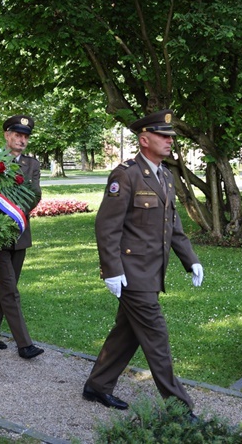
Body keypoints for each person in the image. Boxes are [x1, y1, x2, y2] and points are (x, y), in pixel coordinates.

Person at [83, 109, 204, 419]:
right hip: (132, 274)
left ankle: (97, 385)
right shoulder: (126, 174)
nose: (169, 141)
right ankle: (180, 406)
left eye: (171, 137)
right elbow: (106, 227)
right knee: (156, 339)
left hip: (152, 274)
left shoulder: (165, 175)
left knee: (127, 333)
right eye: (163, 136)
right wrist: (111, 270)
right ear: (144, 139)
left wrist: (190, 260)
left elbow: (172, 226)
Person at [0, 115, 45, 359]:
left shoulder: (32, 164)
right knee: (9, 290)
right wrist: (0, 216)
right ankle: (24, 344)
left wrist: (14, 213)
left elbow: (35, 195)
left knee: (6, 285)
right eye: (17, 135)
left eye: (25, 136)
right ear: (6, 135)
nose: (22, 140)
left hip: (20, 231)